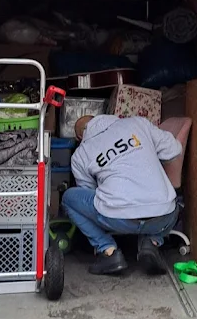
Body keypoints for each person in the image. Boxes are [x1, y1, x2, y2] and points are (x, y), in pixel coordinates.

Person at [62, 113, 182, 276]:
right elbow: (174, 149)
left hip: (117, 219)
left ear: (79, 137)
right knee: (173, 203)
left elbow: (89, 192)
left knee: (69, 199)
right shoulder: (138, 123)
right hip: (162, 217)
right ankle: (151, 242)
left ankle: (108, 251)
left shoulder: (80, 154)